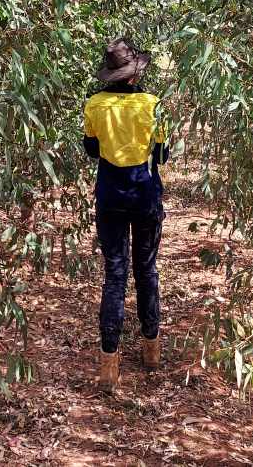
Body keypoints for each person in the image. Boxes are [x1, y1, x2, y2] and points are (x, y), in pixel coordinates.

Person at [83, 37, 169, 394]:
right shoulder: (152, 105)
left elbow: (91, 151)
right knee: (146, 270)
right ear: (134, 75)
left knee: (114, 275)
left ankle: (109, 365)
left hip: (110, 197)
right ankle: (151, 350)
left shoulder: (94, 104)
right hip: (145, 196)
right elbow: (162, 155)